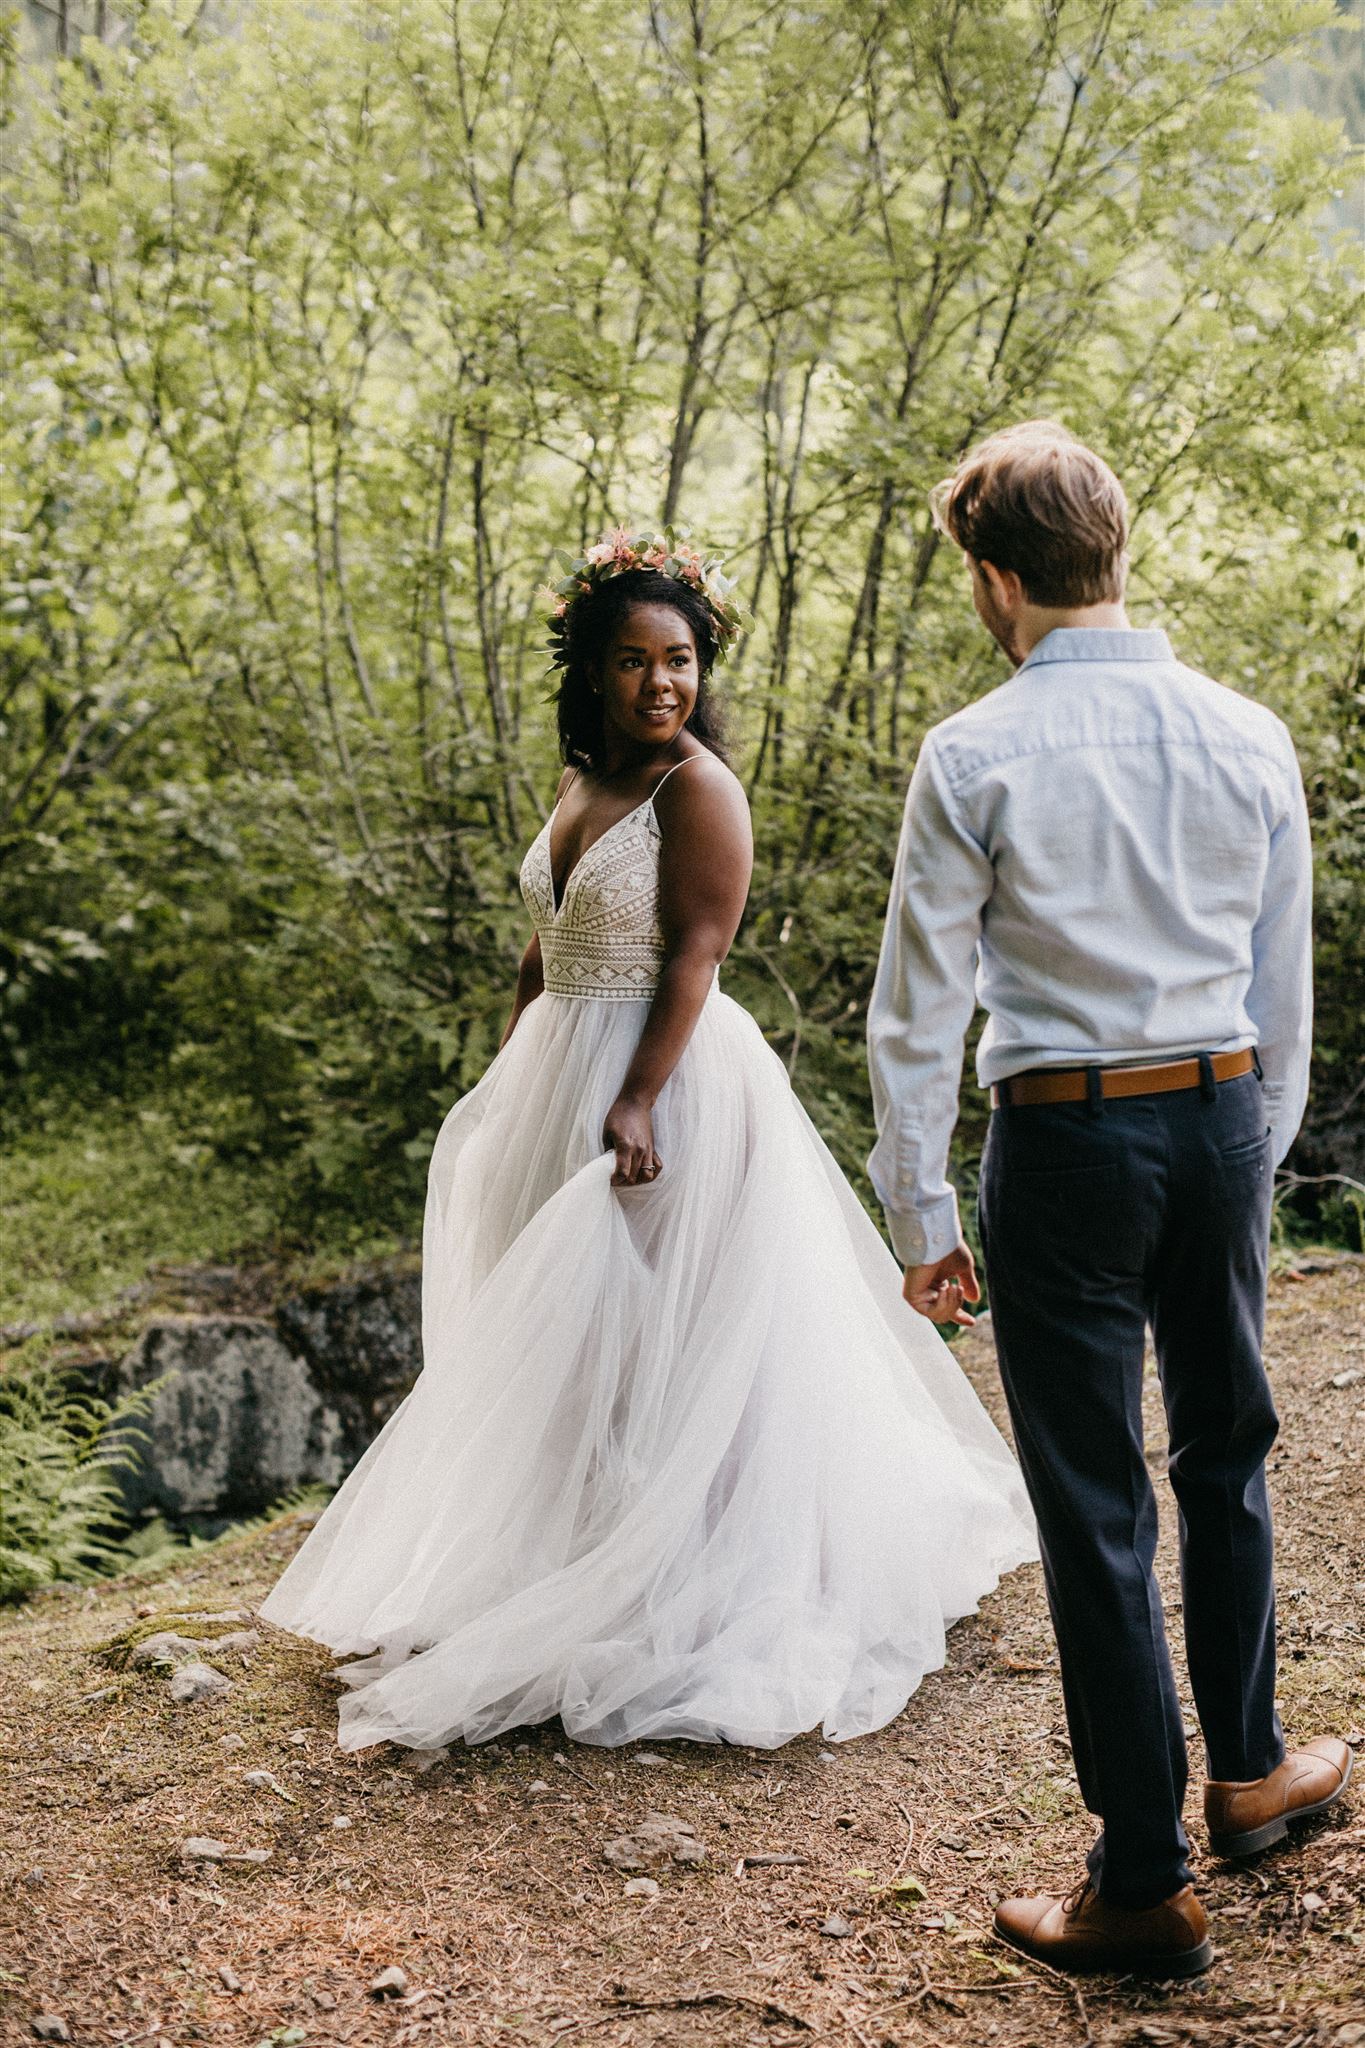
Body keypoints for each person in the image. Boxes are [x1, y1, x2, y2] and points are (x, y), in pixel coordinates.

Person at [259, 525, 1037, 1753]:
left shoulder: (699, 789)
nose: (661, 683)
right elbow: (549, 936)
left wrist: (634, 1094)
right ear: (592, 673)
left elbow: (697, 953)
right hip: (559, 1070)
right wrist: (517, 1055)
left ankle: (691, 1576)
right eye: (633, 661)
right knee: (570, 1337)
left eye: (678, 659)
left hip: (667, 1083)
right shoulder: (583, 784)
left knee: (672, 1325)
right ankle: (570, 1552)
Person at [867, 422, 1351, 1977]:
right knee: (1227, 1447)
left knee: (1094, 1499)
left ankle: (1141, 1878)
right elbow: (1283, 988)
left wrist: (919, 1215)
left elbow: (915, 1010)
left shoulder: (973, 751)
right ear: (1116, 548)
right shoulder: (1245, 729)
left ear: (998, 578)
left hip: (1062, 1138)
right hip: (1216, 1109)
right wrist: (1246, 1147)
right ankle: (1255, 1772)